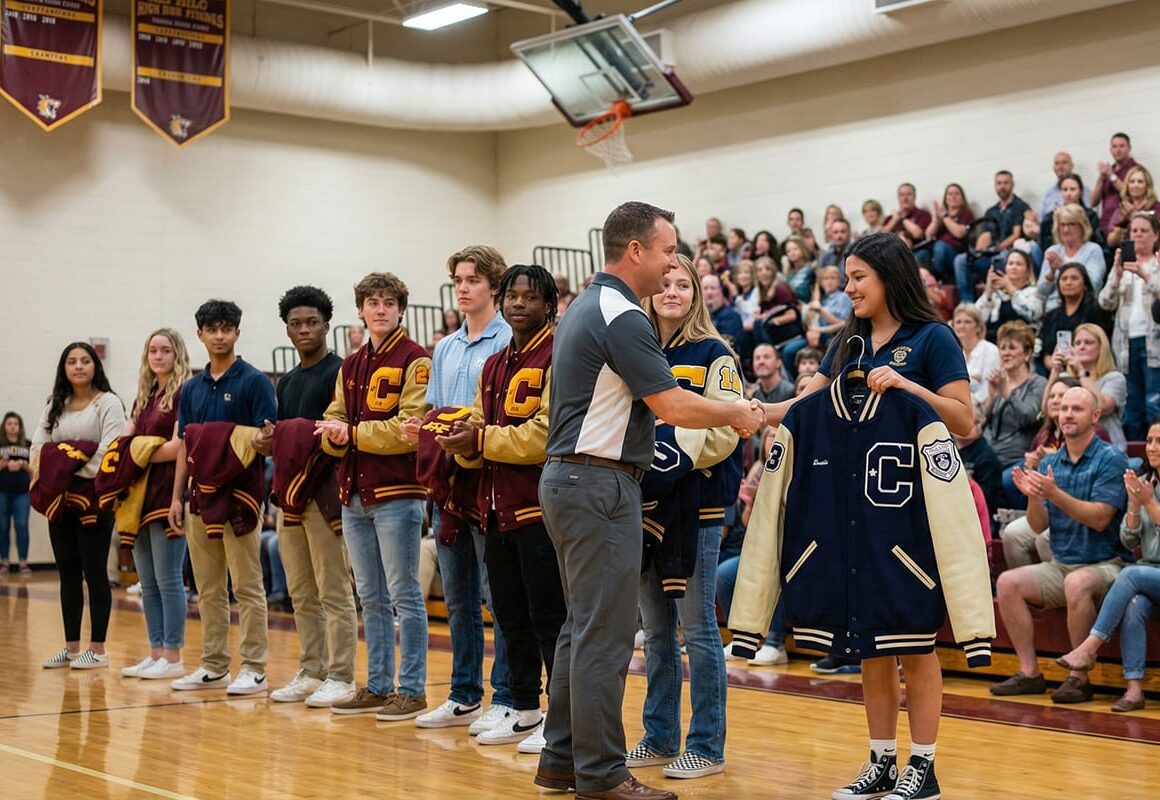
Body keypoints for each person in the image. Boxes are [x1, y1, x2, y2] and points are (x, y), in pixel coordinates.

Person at [533, 201, 763, 800]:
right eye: (667, 251)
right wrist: (738, 411)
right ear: (635, 251)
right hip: (599, 484)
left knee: (579, 631)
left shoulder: (586, 304)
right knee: (605, 638)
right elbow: (674, 406)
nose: (671, 265)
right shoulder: (622, 316)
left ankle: (560, 761)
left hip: (570, 480)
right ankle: (602, 774)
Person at [752, 232, 977, 800]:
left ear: (889, 276)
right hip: (853, 514)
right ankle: (880, 760)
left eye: (857, 278)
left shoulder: (933, 338)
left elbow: (964, 421)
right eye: (846, 277)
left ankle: (922, 769)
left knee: (916, 646)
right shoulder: (848, 341)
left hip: (911, 516)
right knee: (870, 647)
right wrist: (754, 413)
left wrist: (905, 384)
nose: (847, 288)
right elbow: (807, 406)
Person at [435, 264, 563, 751]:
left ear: (549, 305)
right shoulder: (494, 363)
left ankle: (560, 715)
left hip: (540, 508)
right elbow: (480, 421)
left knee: (549, 616)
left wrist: (480, 438)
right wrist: (460, 440)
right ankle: (523, 706)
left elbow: (547, 434)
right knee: (510, 615)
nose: (517, 304)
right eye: (511, 295)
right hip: (493, 507)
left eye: (529, 297)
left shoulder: (558, 354)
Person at [628, 254, 743, 779]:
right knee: (655, 631)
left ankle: (708, 745)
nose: (672, 291)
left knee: (697, 629)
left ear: (696, 294)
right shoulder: (639, 350)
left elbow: (726, 428)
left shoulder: (715, 353)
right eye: (665, 283)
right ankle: (658, 735)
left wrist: (672, 458)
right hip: (645, 505)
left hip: (698, 503)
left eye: (683, 284)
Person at [319, 273, 432, 720]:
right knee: (369, 594)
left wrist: (348, 434)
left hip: (399, 493)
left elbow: (410, 431)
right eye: (372, 302)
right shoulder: (349, 364)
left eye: (388, 302)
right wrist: (332, 435)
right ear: (361, 310)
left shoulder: (416, 359)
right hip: (353, 492)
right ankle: (379, 684)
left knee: (404, 592)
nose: (380, 309)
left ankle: (413, 688)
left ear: (401, 309)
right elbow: (333, 417)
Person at [413, 245, 515, 734]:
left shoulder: (509, 339)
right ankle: (463, 694)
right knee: (457, 596)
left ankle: (508, 697)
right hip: (446, 484)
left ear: (494, 284)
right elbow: (435, 413)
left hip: (489, 479)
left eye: (472, 278)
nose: (462, 286)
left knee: (499, 596)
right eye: (457, 279)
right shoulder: (446, 346)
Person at [167, 300, 277, 695]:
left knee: (247, 585)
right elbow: (184, 445)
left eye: (226, 328)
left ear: (236, 333)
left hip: (240, 498)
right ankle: (213, 664)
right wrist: (176, 497)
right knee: (208, 586)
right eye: (211, 329)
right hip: (198, 498)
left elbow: (267, 440)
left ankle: (254, 666)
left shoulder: (254, 381)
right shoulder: (191, 389)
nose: (219, 335)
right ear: (199, 335)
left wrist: (262, 439)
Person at [997, 386, 1130, 703]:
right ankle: (1029, 673)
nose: (1067, 414)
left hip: (1108, 565)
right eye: (1064, 408)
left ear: (1095, 416)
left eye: (1077, 409)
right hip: (1063, 564)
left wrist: (1054, 494)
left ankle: (1079, 678)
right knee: (1007, 583)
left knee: (1076, 582)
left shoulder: (1110, 459)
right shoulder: (1049, 463)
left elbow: (1100, 518)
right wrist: (1034, 495)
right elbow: (1038, 525)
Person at [263, 286, 359, 708]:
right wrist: (272, 440)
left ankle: (340, 675)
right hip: (291, 496)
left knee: (333, 590)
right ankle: (312, 668)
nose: (304, 330)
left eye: (312, 322)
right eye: (296, 324)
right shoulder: (286, 382)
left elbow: (334, 434)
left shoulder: (340, 373)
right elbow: (288, 436)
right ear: (286, 329)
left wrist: (289, 435)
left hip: (326, 493)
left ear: (326, 325)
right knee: (301, 590)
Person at [1056, 417, 1160, 713]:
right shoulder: (1143, 484)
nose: (1152, 447)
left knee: (1129, 574)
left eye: (1159, 442)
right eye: (1150, 441)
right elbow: (1128, 542)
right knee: (1135, 604)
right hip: (1150, 574)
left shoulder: (1147, 491)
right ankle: (1134, 690)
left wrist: (1149, 504)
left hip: (1146, 572)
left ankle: (1089, 647)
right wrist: (1134, 507)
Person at [32, 343, 125, 669]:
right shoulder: (53, 405)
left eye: (85, 360)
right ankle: (71, 647)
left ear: (95, 366)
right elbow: (39, 449)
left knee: (95, 573)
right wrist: (64, 464)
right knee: (68, 574)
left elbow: (109, 452)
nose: (79, 366)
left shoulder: (108, 403)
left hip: (96, 502)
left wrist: (63, 464)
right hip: (60, 500)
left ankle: (97, 649)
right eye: (72, 361)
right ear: (64, 368)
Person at [118, 330, 191, 681]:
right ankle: (156, 650)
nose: (158, 356)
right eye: (153, 350)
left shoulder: (184, 393)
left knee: (168, 578)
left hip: (168, 494)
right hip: (139, 496)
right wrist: (141, 448)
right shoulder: (145, 396)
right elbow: (125, 441)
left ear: (177, 354)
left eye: (165, 350)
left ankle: (174, 655)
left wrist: (140, 450)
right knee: (146, 581)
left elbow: (179, 447)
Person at [1098, 212, 1160, 440]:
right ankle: (1136, 460)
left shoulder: (1158, 264)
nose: (1138, 235)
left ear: (1155, 236)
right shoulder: (1121, 267)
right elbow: (1105, 302)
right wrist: (1115, 274)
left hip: (1155, 343)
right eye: (1134, 231)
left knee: (1155, 402)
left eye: (1144, 230)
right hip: (1124, 345)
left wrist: (1146, 275)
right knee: (1131, 405)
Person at [982, 321, 1047, 508]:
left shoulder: (1038, 384)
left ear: (1027, 354)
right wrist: (992, 398)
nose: (1006, 353)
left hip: (1017, 459)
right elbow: (981, 424)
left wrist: (1007, 393)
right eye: (1002, 348)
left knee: (1001, 481)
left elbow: (1030, 417)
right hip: (991, 457)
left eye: (1012, 347)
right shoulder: (1000, 384)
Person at [954, 170, 1033, 303]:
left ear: (1012, 184)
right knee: (960, 260)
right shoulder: (991, 211)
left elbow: (1016, 234)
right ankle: (967, 302)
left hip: (1008, 254)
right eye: (999, 183)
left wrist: (1000, 246)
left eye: (1005, 183)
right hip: (990, 255)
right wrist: (977, 252)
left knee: (1002, 258)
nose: (1002, 186)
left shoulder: (1021, 207)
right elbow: (985, 234)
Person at [1046, 324, 1127, 451]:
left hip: (1109, 449)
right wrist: (1055, 371)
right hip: (1071, 450)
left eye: (1088, 342)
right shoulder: (1066, 377)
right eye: (1077, 343)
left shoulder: (1114, 378)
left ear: (1102, 347)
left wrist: (1081, 372)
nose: (1081, 347)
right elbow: (1047, 408)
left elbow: (1101, 407)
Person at [1035, 262, 1113, 374]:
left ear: (1085, 284)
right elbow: (1042, 347)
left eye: (1074, 278)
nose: (1068, 282)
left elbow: (1103, 344)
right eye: (1064, 278)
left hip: (1090, 372)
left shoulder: (1096, 311)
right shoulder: (1051, 316)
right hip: (1055, 374)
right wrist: (1047, 360)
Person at [1037, 203, 1107, 307]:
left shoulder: (1093, 250)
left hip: (1083, 308)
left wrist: (1062, 267)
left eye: (1071, 224)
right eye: (1062, 225)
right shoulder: (1053, 250)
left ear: (1082, 226)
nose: (1066, 229)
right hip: (1054, 309)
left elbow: (1093, 284)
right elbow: (1041, 291)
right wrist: (1051, 272)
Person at [783, 265, 851, 368]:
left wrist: (820, 314)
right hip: (815, 334)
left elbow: (842, 323)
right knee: (789, 351)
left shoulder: (843, 297)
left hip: (833, 336)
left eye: (832, 278)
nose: (829, 281)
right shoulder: (822, 299)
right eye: (826, 279)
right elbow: (810, 322)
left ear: (839, 281)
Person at [975, 250, 1042, 342]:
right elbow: (977, 319)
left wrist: (1010, 288)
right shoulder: (996, 294)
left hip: (1022, 342)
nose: (1014, 267)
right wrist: (988, 291)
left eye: (1019, 264)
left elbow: (1033, 314)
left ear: (1028, 271)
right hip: (994, 343)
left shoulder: (1033, 292)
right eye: (1010, 263)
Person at [0, 412, 32, 575]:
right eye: (9, 423)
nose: (12, 426)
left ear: (19, 427)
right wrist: (3, 465)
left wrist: (23, 465)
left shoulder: (27, 444)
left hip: (22, 493)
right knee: (2, 527)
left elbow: (35, 470)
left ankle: (23, 562)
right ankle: (4, 561)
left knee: (22, 526)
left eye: (15, 424)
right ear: (4, 427)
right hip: (2, 492)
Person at [921, 182, 974, 280]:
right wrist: (936, 219)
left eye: (957, 194)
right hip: (937, 252)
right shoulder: (942, 214)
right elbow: (928, 234)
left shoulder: (966, 213)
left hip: (955, 253)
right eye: (950, 194)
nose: (953, 197)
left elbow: (959, 233)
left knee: (940, 246)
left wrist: (945, 217)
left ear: (962, 198)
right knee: (921, 254)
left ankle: (938, 278)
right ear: (945, 198)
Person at [952, 304, 999, 410]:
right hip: (959, 407)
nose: (961, 326)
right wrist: (973, 379)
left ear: (978, 327)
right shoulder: (953, 351)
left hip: (984, 408)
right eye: (958, 322)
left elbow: (987, 388)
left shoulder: (991, 350)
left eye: (967, 322)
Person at [1090, 132, 1138, 235]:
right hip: (1105, 224)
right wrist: (1102, 178)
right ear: (1110, 150)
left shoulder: (1135, 170)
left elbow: (1129, 192)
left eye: (1122, 146)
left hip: (1125, 225)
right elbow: (1093, 202)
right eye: (1114, 146)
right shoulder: (1108, 170)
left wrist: (1112, 176)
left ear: (1129, 148)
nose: (1118, 150)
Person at [1037, 176, 1103, 250]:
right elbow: (1044, 244)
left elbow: (1095, 240)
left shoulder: (1091, 215)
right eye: (1065, 190)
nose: (1068, 193)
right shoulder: (1050, 217)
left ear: (1081, 192)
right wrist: (1056, 222)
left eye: (1073, 189)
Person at [1107, 165, 1160, 248]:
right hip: (1127, 253)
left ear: (1147, 185)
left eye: (1140, 181)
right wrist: (1120, 225)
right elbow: (1110, 241)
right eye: (1132, 181)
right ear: (1127, 185)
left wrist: (1133, 215)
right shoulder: (1121, 208)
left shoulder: (1156, 207)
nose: (1135, 185)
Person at [881, 183, 932, 248]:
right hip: (892, 253)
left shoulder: (923, 214)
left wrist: (903, 219)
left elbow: (918, 235)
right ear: (898, 198)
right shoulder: (890, 218)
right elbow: (881, 237)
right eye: (902, 195)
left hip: (917, 251)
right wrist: (895, 219)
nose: (905, 198)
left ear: (915, 197)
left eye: (909, 194)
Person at [1040, 152, 1079, 218]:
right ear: (1054, 168)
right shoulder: (1049, 194)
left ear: (1072, 166)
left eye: (1064, 162)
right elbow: (1041, 220)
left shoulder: (1084, 191)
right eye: (1057, 163)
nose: (1060, 167)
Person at [781, 236, 815, 302]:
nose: (792, 253)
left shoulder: (810, 270)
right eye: (788, 251)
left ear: (802, 249)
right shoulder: (788, 273)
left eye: (795, 249)